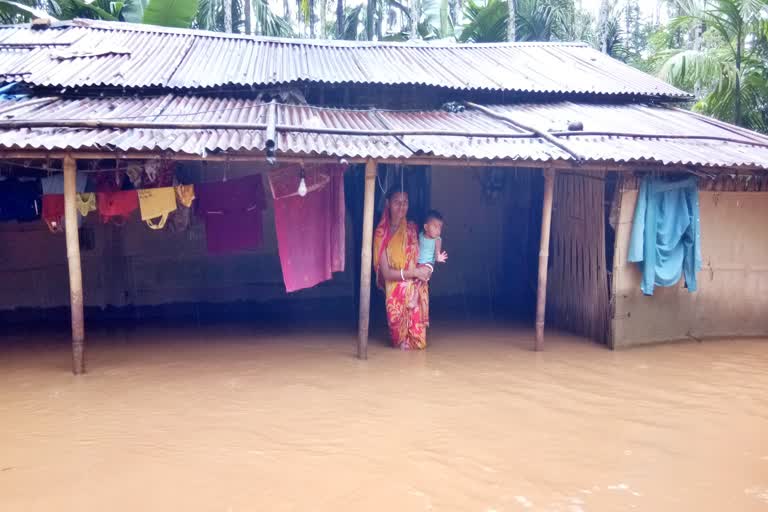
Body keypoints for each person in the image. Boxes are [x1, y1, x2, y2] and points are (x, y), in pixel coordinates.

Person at [373, 189, 433, 350]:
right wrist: (413, 273)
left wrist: (426, 269)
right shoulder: (381, 234)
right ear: (387, 204)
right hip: (395, 293)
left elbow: (424, 256)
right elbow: (386, 273)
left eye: (405, 202)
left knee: (418, 345)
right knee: (400, 345)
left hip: (416, 291)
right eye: (397, 202)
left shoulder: (412, 229)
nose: (401, 207)